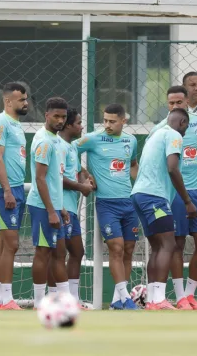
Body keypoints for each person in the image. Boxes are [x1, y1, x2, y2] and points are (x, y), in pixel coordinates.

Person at [152, 86, 197, 310]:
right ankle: (180, 297)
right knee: (177, 243)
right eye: (171, 103)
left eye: (179, 102)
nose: (175, 106)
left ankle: (190, 294)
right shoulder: (160, 129)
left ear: (187, 101)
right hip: (175, 192)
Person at [78, 104, 141, 310]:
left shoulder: (131, 140)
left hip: (129, 202)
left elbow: (133, 165)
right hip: (106, 203)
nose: (107, 124)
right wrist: (84, 174)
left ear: (124, 121)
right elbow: (68, 151)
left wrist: (141, 186)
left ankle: (117, 300)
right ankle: (126, 299)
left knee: (129, 250)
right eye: (105, 120)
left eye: (112, 121)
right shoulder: (93, 138)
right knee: (116, 247)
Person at [131, 108, 193, 310]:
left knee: (158, 247)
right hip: (154, 197)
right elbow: (172, 168)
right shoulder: (174, 135)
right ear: (182, 122)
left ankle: (152, 299)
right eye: (186, 127)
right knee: (168, 244)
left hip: (139, 195)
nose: (185, 132)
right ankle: (159, 299)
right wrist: (187, 201)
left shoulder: (155, 135)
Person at [26, 97, 71, 309]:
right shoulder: (44, 141)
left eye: (63, 117)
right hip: (42, 207)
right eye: (56, 116)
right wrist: (51, 211)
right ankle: (38, 302)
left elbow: (54, 179)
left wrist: (60, 207)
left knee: (60, 253)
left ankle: (64, 300)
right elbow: (40, 178)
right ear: (46, 115)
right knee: (43, 252)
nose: (60, 120)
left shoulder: (56, 140)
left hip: (54, 206)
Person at [0, 82, 29, 310]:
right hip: (5, 190)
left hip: (16, 188)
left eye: (26, 99)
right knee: (12, 244)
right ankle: (8, 298)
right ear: (7, 101)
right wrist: (6, 190)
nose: (26, 103)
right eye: (21, 100)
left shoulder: (16, 125)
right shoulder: (0, 123)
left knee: (4, 246)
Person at [58, 108, 95, 308]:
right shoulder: (59, 146)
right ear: (69, 125)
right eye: (79, 123)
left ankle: (72, 298)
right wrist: (82, 187)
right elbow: (57, 177)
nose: (81, 127)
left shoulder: (71, 147)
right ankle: (58, 298)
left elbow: (78, 171)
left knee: (78, 251)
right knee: (57, 254)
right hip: (60, 206)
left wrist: (87, 179)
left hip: (71, 208)